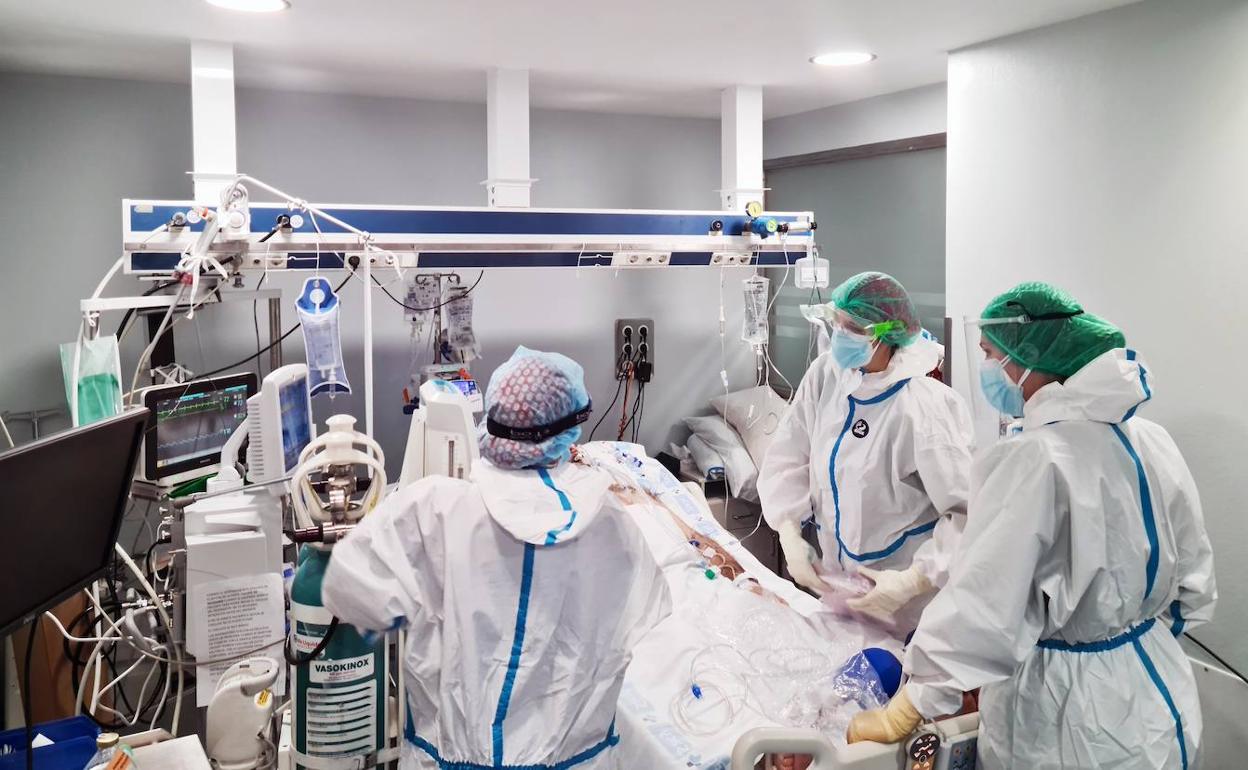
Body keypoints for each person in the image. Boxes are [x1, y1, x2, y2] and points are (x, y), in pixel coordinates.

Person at [848, 282, 1216, 770]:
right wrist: (1127, 641)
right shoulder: (1150, 439)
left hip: (1071, 722)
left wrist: (913, 704)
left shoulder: (1032, 460)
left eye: (988, 354)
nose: (985, 369)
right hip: (1160, 695)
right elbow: (1194, 583)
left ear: (1026, 360)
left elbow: (983, 609)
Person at [322, 346, 671, 770]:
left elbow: (348, 586)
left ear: (491, 425)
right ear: (570, 432)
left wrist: (403, 613)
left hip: (447, 758)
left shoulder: (432, 510)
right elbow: (644, 619)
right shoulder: (610, 522)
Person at [760, 271, 973, 625]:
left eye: (854, 328)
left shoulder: (924, 406)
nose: (840, 334)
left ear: (888, 334)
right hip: (840, 589)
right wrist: (788, 529)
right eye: (837, 322)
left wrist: (914, 580)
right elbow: (790, 453)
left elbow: (965, 515)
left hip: (906, 605)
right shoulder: (826, 375)